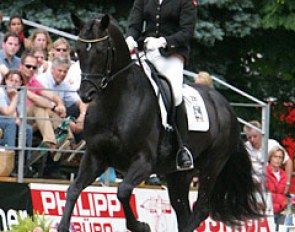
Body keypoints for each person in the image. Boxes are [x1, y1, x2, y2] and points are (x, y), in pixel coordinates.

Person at [125, 0, 197, 171]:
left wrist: (164, 41)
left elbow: (187, 32)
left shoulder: (185, 2)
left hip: (171, 52)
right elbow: (135, 24)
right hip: (146, 50)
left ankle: (182, 147)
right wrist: (130, 38)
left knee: (176, 94)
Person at [37, 56, 87, 159]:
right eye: (59, 70)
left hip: (56, 116)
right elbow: (47, 105)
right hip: (40, 114)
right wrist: (68, 122)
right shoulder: (42, 80)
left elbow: (79, 102)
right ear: (52, 69)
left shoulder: (64, 84)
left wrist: (82, 117)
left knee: (78, 110)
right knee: (55, 113)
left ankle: (75, 149)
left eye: (65, 72)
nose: (62, 74)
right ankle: (71, 144)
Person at [20, 52, 67, 151]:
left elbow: (52, 95)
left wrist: (60, 104)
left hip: (33, 120)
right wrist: (54, 107)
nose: (31, 69)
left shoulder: (33, 81)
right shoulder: (15, 78)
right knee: (39, 106)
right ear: (21, 66)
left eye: (34, 67)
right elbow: (34, 98)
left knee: (50, 110)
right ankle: (51, 143)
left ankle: (67, 142)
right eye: (28, 66)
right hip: (18, 118)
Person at [243, 120, 293, 193]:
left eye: (255, 136)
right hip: (253, 188)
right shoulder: (245, 148)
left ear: (260, 134)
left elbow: (288, 162)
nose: (252, 140)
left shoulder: (272, 144)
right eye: (249, 137)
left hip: (273, 187)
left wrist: (287, 184)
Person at [0, 69, 33, 176]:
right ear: (5, 81)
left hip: (9, 120)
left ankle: (23, 164)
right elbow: (7, 112)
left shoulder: (21, 93)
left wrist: (18, 117)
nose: (13, 84)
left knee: (27, 128)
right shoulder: (1, 91)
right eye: (11, 80)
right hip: (3, 120)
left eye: (16, 81)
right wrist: (14, 97)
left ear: (20, 83)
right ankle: (10, 162)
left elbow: (21, 115)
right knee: (11, 124)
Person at [266, 146, 288, 229]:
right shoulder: (264, 173)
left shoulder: (284, 175)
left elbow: (283, 194)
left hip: (281, 211)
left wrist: (283, 201)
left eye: (280, 157)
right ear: (270, 158)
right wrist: (282, 199)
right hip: (268, 211)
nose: (278, 159)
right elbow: (267, 194)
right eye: (275, 156)